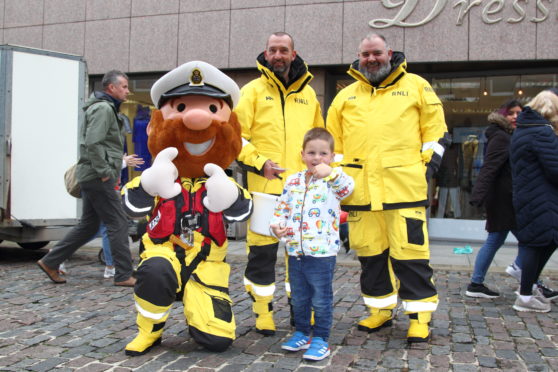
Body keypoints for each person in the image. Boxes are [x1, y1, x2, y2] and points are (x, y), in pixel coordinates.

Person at [121, 61, 252, 355]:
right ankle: (150, 331)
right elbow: (129, 204)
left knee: (218, 342)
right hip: (164, 252)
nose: (196, 118)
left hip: (206, 266)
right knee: (155, 270)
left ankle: (199, 316)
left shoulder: (221, 180)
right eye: (181, 108)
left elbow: (243, 210)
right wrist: (147, 184)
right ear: (158, 122)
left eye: (212, 109)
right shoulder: (160, 174)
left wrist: (228, 196)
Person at [326, 33, 450, 342]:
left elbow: (436, 133)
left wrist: (423, 170)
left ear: (389, 53)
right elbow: (333, 145)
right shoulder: (345, 96)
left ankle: (419, 317)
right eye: (365, 54)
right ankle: (379, 311)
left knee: (411, 257)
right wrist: (337, 178)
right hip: (360, 194)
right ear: (359, 57)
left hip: (403, 190)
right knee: (370, 257)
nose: (371, 59)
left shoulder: (416, 86)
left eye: (376, 53)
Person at [234, 31, 324, 335]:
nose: (278, 55)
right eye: (273, 50)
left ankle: (300, 312)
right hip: (264, 190)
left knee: (299, 255)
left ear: (293, 54)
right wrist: (260, 163)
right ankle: (263, 312)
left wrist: (319, 171)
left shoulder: (309, 94)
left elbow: (318, 139)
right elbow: (236, 137)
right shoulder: (252, 91)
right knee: (262, 255)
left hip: (301, 191)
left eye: (283, 50)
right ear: (265, 53)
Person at [37, 70, 136, 287]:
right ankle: (123, 275)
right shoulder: (103, 108)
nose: (128, 91)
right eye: (124, 87)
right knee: (118, 222)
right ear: (111, 88)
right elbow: (93, 142)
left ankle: (50, 261)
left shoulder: (105, 107)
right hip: (98, 176)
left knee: (89, 226)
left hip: (92, 175)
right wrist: (103, 172)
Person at [270, 128, 354, 361]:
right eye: (311, 152)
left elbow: (348, 189)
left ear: (332, 156)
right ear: (302, 154)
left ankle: (321, 338)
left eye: (323, 153)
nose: (317, 158)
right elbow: (282, 208)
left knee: (320, 297)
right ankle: (302, 333)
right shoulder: (293, 180)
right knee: (299, 297)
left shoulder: (335, 180)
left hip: (322, 252)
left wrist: (332, 174)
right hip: (295, 250)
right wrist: (276, 226)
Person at [465, 100, 523, 298]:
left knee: (498, 239)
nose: (515, 116)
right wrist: (478, 195)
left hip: (505, 198)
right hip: (502, 200)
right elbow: (490, 167)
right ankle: (531, 282)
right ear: (503, 115)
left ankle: (476, 283)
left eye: (519, 113)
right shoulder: (501, 137)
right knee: (528, 241)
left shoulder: (507, 136)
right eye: (511, 113)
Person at [509, 90, 558, 313]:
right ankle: (526, 295)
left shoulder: (523, 130)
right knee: (538, 244)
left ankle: (528, 291)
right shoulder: (543, 133)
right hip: (543, 197)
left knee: (538, 242)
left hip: (529, 195)